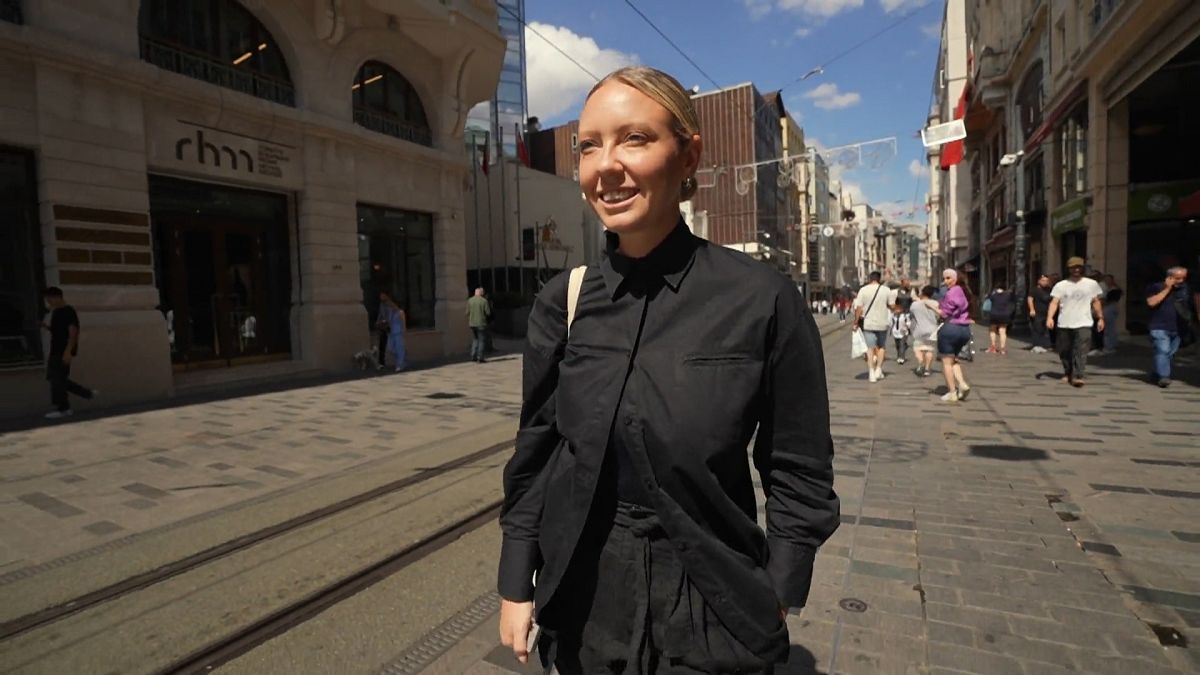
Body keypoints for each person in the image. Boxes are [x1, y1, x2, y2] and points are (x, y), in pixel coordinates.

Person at [497, 66, 839, 674]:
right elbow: (538, 455)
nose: (606, 164)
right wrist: (516, 581)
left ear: (689, 156)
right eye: (589, 145)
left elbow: (798, 463)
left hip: (713, 601)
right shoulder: (564, 302)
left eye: (634, 139)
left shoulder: (762, 298)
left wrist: (780, 586)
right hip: (583, 598)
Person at [1047, 257, 1104, 387]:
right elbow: (1054, 302)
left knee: (1081, 349)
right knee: (1064, 350)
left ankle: (1078, 375)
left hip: (1084, 322)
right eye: (1073, 267)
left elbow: (1096, 301)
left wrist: (1100, 318)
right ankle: (1068, 372)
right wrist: (1050, 318)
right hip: (1064, 322)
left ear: (1083, 268)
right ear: (1069, 269)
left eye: (1078, 267)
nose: (1076, 270)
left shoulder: (1091, 284)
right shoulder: (1061, 285)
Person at [41, 287, 95, 419]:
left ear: (57, 297)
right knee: (56, 379)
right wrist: (46, 327)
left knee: (56, 379)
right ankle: (85, 394)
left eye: (49, 300)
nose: (49, 303)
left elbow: (73, 332)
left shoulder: (68, 311)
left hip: (62, 351)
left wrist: (68, 351)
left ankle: (64, 407)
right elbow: (58, 331)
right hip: (56, 350)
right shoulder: (57, 312)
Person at [1144, 266, 1198, 388]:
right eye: (1177, 278)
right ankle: (1164, 376)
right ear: (1169, 277)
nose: (1181, 281)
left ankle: (1156, 373)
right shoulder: (1156, 287)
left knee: (1168, 354)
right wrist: (1167, 288)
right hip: (1159, 326)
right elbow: (1152, 302)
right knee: (1163, 350)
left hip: (1179, 327)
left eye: (1183, 278)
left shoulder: (1187, 289)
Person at [936, 269, 973, 402]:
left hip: (951, 328)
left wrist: (933, 307)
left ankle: (952, 392)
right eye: (944, 278)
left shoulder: (951, 293)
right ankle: (962, 384)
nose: (946, 281)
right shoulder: (964, 291)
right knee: (953, 359)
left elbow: (944, 313)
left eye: (949, 278)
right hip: (964, 329)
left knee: (946, 362)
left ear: (956, 278)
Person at [853, 271, 895, 383]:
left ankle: (871, 372)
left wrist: (856, 322)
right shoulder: (886, 290)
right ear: (879, 279)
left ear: (869, 278)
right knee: (881, 347)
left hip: (868, 323)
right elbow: (892, 306)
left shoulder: (863, 290)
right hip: (882, 323)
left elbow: (858, 308)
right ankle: (879, 369)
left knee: (870, 348)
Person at [910, 285, 940, 377]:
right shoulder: (935, 303)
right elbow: (938, 316)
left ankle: (920, 363)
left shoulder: (915, 305)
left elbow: (912, 314)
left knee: (918, 349)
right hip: (932, 330)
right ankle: (927, 369)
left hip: (919, 330)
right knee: (929, 350)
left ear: (922, 293)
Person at [378, 291, 407, 372]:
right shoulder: (390, 312)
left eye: (391, 304)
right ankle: (403, 359)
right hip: (391, 332)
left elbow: (403, 322)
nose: (389, 305)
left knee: (399, 348)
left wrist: (404, 330)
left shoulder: (400, 312)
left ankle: (400, 365)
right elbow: (388, 321)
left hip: (398, 332)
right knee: (391, 348)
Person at [985, 284, 1016, 354]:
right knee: (1002, 331)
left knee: (992, 330)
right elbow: (1013, 300)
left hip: (994, 314)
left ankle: (993, 347)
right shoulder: (1008, 295)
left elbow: (987, 297)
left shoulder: (993, 295)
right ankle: (1002, 349)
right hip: (1004, 315)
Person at [1026, 274, 1053, 353]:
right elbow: (1030, 299)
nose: (1045, 282)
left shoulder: (1048, 289)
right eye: (1043, 280)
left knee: (1043, 329)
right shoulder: (1034, 290)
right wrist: (1032, 309)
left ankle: (1041, 344)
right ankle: (1036, 345)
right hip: (1037, 312)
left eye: (1046, 281)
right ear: (1039, 281)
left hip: (1045, 312)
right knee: (1037, 328)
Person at [466, 287, 492, 363]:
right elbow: (488, 313)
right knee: (481, 340)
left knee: (475, 339)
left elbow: (467, 312)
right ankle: (480, 357)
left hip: (472, 324)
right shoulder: (484, 301)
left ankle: (473, 355)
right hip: (481, 323)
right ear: (481, 293)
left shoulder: (470, 300)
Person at [1101, 274, 1122, 354]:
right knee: (1110, 328)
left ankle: (1109, 346)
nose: (1107, 281)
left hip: (1110, 308)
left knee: (1109, 329)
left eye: (1108, 279)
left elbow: (1110, 300)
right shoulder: (1106, 288)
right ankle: (1111, 344)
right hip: (1108, 308)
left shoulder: (1114, 290)